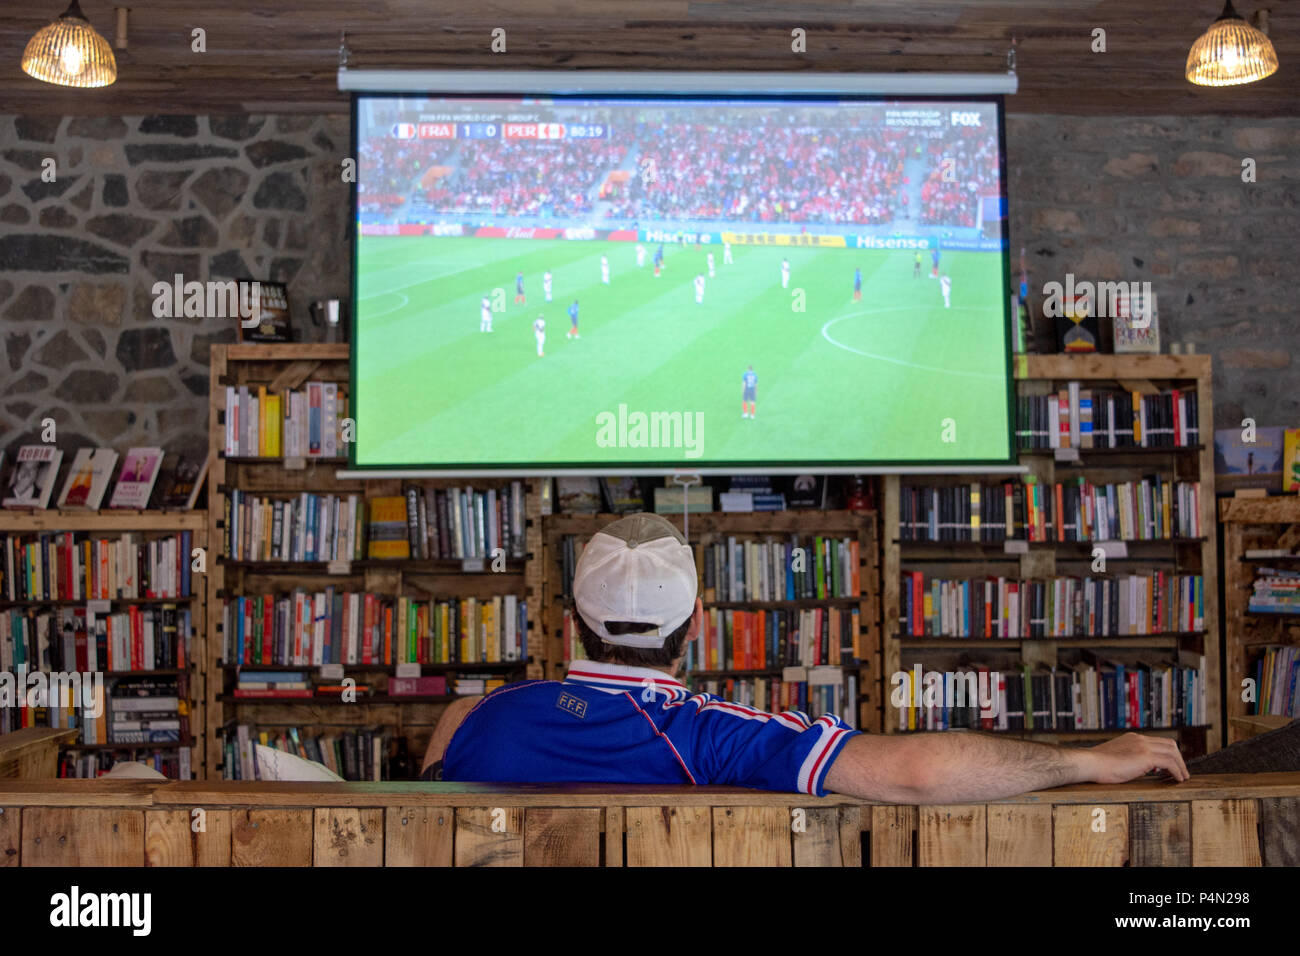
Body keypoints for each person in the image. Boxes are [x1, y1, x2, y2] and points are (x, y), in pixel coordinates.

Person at [425, 513, 1192, 800]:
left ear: (569, 629)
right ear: (696, 624)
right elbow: (921, 775)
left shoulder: (468, 719)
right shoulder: (711, 735)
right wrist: (1087, 759)